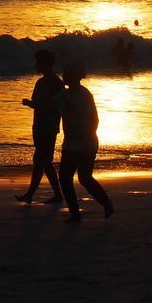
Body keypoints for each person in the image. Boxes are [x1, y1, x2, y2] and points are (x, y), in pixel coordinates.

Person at [54, 62, 114, 222]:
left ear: (73, 77)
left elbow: (94, 119)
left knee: (69, 178)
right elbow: (49, 104)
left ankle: (77, 213)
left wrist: (87, 136)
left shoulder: (82, 94)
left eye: (66, 74)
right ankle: (105, 204)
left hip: (81, 144)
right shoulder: (66, 94)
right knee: (82, 178)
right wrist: (32, 104)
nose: (63, 76)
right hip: (81, 143)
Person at [16, 49, 63, 204]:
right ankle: (56, 194)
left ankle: (31, 194)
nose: (36, 65)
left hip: (48, 127)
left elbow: (55, 106)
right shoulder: (41, 82)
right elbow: (38, 103)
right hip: (39, 125)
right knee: (43, 161)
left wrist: (30, 103)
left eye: (38, 62)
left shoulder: (56, 83)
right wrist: (31, 104)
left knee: (41, 159)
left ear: (45, 63)